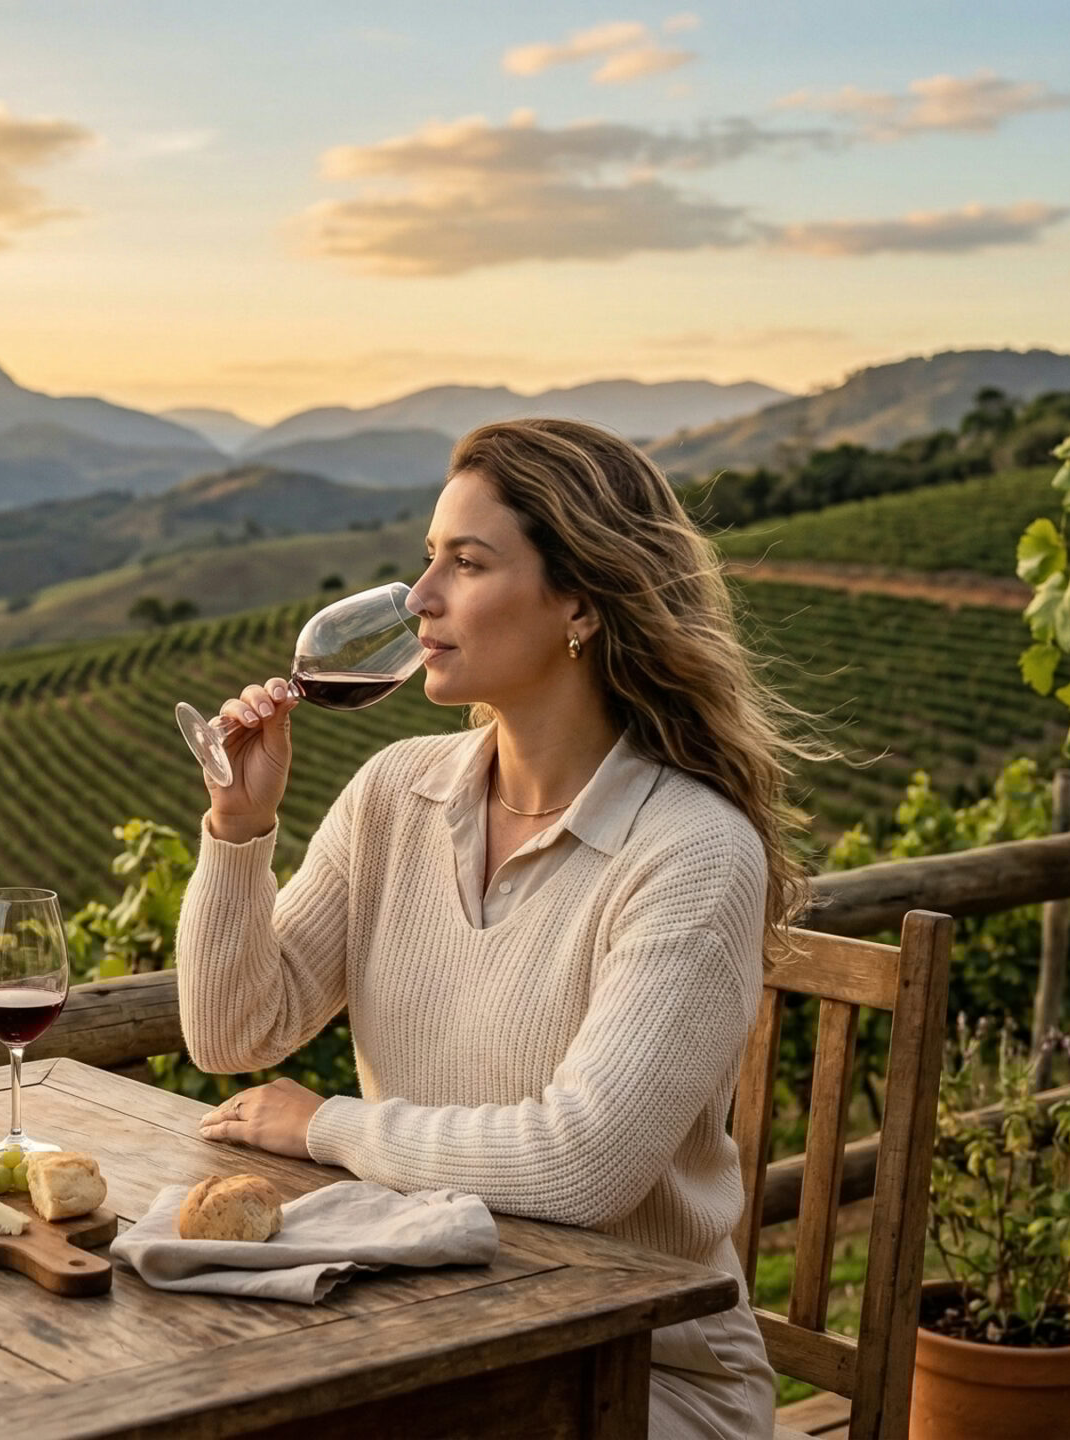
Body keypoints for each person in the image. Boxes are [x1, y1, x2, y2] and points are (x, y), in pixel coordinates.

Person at [181, 417, 821, 1438]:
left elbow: (583, 1162)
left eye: (467, 563)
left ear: (580, 602)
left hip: (639, 1371)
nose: (420, 598)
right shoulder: (397, 791)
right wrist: (238, 829)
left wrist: (326, 1126)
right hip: (430, 1327)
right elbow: (232, 1033)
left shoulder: (691, 850)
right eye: (427, 557)